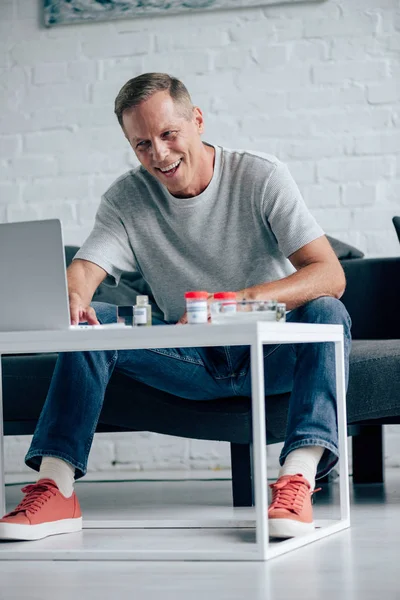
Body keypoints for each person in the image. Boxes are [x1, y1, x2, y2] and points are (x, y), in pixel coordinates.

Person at [0, 72, 351, 541]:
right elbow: (86, 269)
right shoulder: (126, 199)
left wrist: (237, 301)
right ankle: (56, 488)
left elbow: (330, 273)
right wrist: (73, 295)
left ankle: (298, 480)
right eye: (142, 144)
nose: (159, 155)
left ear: (197, 121)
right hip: (187, 359)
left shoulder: (260, 176)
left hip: (268, 351)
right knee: (95, 320)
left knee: (327, 312)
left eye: (168, 135)